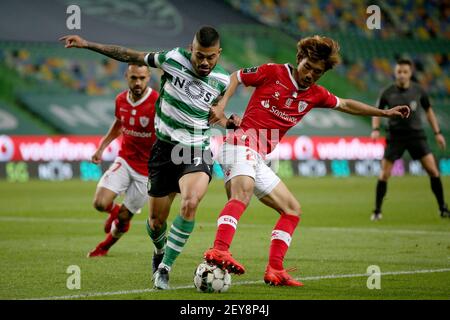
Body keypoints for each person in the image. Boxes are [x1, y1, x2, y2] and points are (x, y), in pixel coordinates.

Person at [204, 35, 410, 286]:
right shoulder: (272, 72)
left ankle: (275, 270)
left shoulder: (315, 94)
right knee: (242, 195)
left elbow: (345, 104)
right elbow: (237, 75)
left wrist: (384, 113)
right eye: (308, 68)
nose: (311, 75)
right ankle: (219, 250)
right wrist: (223, 104)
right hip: (239, 144)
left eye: (318, 72)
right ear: (299, 59)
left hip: (257, 156)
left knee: (292, 210)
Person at [60, 26, 240, 289]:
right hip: (164, 150)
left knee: (190, 203)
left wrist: (229, 122)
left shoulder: (222, 81)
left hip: (194, 149)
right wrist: (88, 44)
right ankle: (159, 252)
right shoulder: (172, 60)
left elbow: (214, 116)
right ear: (191, 50)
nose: (204, 62)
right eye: (199, 55)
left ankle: (165, 267)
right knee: (156, 222)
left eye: (210, 57)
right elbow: (128, 54)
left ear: (219, 54)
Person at [88, 63, 159, 257]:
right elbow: (119, 123)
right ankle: (114, 211)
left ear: (149, 77)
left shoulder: (157, 101)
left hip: (147, 171)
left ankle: (105, 246)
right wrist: (102, 147)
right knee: (100, 203)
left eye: (142, 78)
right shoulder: (120, 99)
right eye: (134, 78)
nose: (138, 82)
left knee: (124, 218)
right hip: (125, 160)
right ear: (126, 77)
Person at [370, 58, 449, 221]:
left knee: (433, 171)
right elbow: (376, 112)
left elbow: (429, 112)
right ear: (395, 72)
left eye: (405, 72)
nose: (402, 75)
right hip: (395, 136)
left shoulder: (419, 91)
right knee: (384, 174)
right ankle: (377, 211)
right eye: (399, 72)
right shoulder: (387, 92)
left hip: (416, 136)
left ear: (410, 73)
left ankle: (443, 208)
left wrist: (438, 133)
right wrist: (375, 130)